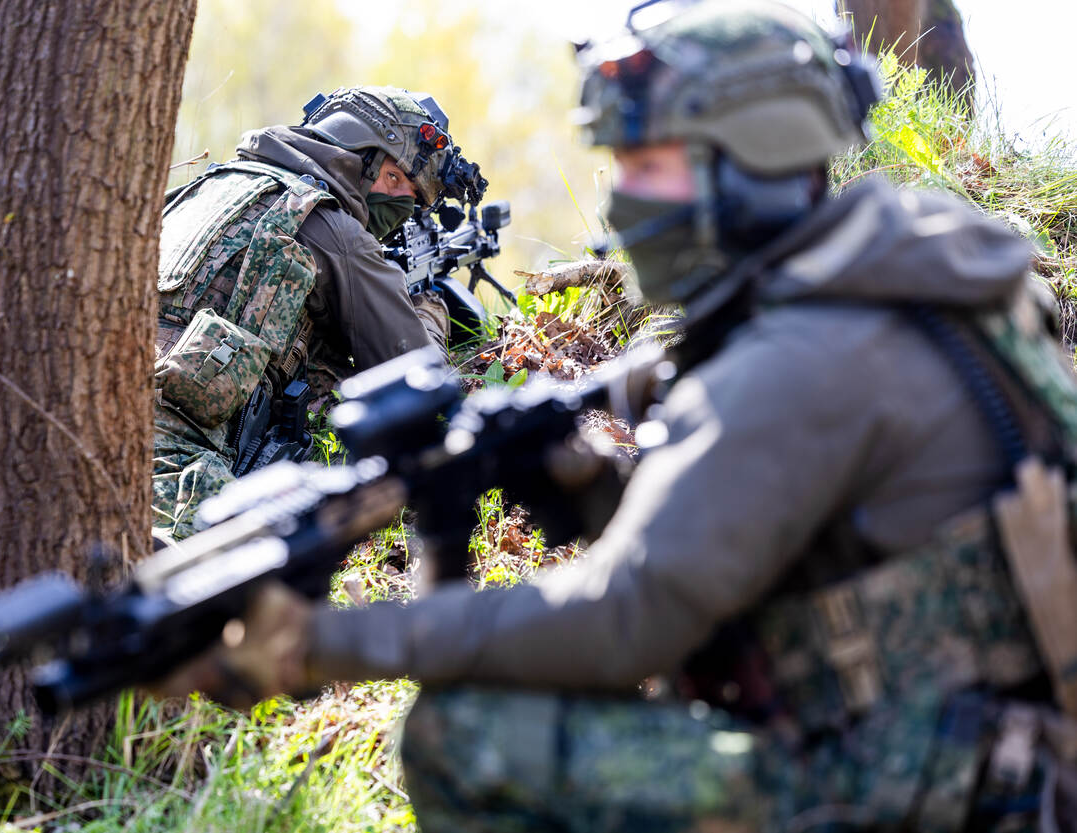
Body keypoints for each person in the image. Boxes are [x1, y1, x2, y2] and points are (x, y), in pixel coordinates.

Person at [156, 2, 1077, 830]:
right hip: (993, 740)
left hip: (956, 786)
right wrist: (593, 480)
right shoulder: (915, 289)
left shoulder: (803, 360)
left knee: (464, 737)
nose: (624, 197)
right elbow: (786, 522)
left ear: (752, 158)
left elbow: (623, 622)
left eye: (652, 163)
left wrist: (320, 642)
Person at [153, 86, 475, 541]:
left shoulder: (204, 186)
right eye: (395, 181)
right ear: (359, 154)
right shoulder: (336, 232)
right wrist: (429, 309)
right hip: (176, 473)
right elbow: (419, 379)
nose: (400, 205)